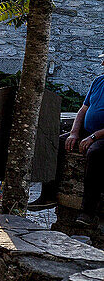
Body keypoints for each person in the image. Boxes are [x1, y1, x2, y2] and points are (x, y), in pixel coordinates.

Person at [28, 53, 104, 226]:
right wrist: (74, 132)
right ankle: (48, 195)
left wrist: (93, 137)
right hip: (88, 131)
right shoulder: (99, 81)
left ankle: (88, 212)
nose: (102, 62)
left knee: (95, 153)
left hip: (101, 136)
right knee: (54, 142)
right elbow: (83, 110)